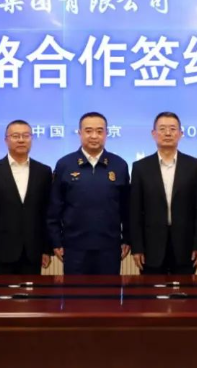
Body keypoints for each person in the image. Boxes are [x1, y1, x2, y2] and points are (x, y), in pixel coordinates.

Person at [47, 112, 130, 275]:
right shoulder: (65, 164)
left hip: (110, 248)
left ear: (106, 133)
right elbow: (54, 209)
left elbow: (127, 209)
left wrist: (127, 239)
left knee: (109, 291)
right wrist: (56, 242)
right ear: (79, 133)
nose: (94, 136)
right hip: (74, 248)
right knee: (75, 291)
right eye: (88, 131)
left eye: (99, 131)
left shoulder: (119, 165)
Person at [130, 112, 197, 275]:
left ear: (180, 133)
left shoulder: (195, 166)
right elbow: (134, 211)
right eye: (162, 129)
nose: (167, 133)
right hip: (151, 247)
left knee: (184, 291)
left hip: (186, 246)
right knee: (152, 290)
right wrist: (137, 247)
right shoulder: (140, 167)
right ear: (153, 134)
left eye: (172, 129)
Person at [0, 120, 53, 275]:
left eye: (26, 135)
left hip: (33, 252)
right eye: (15, 136)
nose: (21, 140)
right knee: (1, 291)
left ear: (31, 139)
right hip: (0, 251)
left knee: (32, 291)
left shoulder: (44, 171)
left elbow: (47, 213)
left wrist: (47, 249)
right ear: (6, 140)